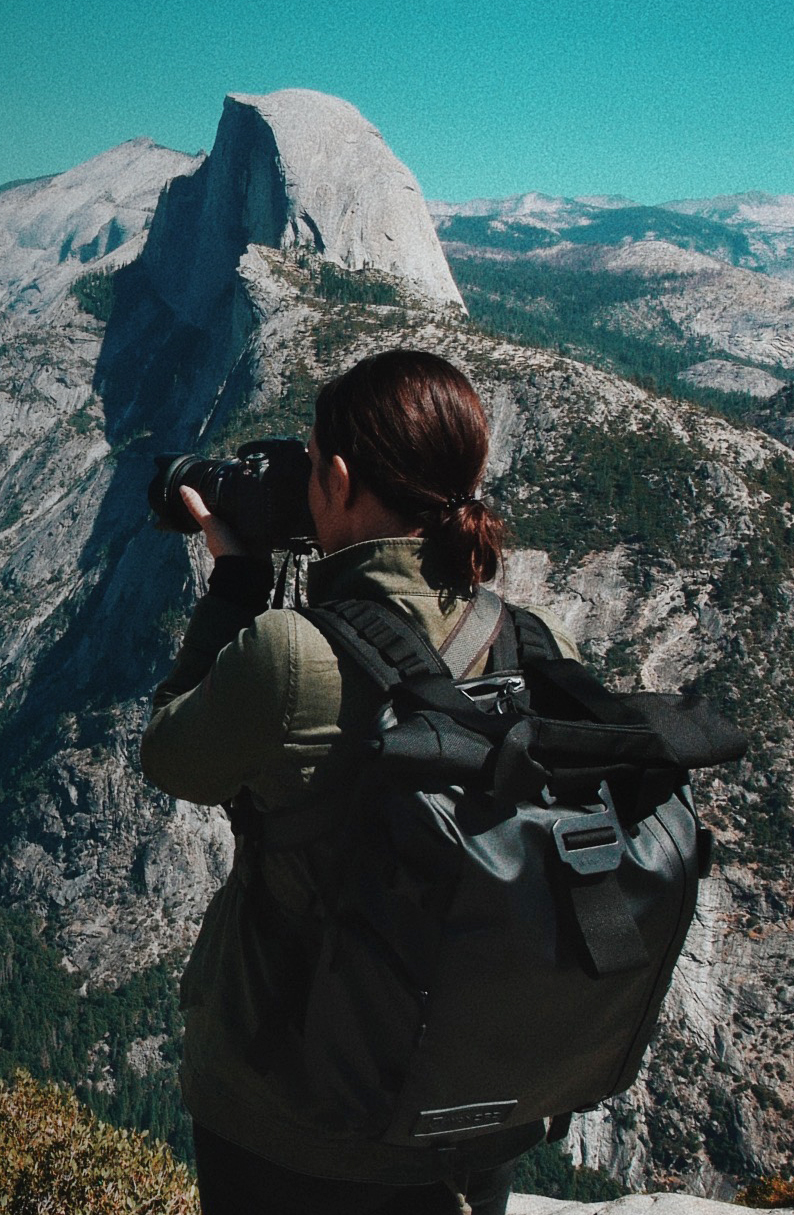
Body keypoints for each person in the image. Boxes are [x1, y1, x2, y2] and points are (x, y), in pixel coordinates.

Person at [142, 349, 581, 1215]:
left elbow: (169, 752)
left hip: (292, 1123)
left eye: (311, 466)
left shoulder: (294, 654)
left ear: (337, 479)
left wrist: (235, 581)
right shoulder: (532, 641)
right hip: (464, 1110)